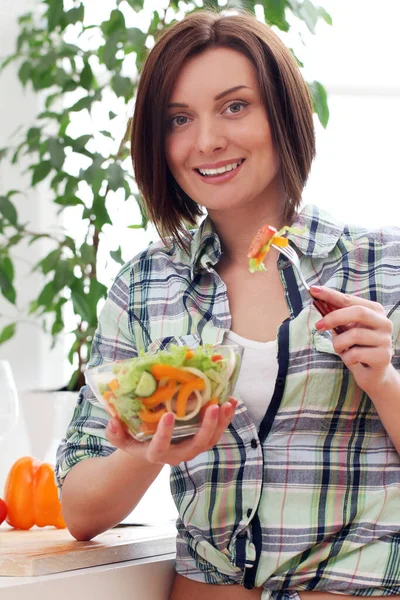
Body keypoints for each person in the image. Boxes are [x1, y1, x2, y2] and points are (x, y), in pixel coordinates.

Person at [55, 9, 400, 600]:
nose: (207, 140)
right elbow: (81, 511)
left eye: (235, 106)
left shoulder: (381, 266)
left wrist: (385, 381)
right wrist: (145, 454)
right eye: (178, 119)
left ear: (283, 113)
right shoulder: (144, 287)